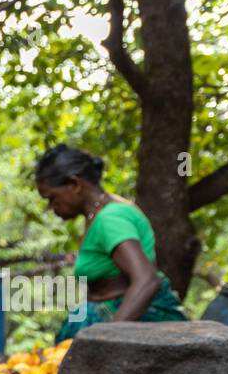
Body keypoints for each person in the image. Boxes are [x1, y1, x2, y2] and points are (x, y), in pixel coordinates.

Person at [34, 143, 187, 342]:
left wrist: (108, 341)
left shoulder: (110, 219)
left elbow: (146, 280)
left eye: (52, 198)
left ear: (75, 184)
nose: (51, 207)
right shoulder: (103, 212)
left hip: (128, 323)